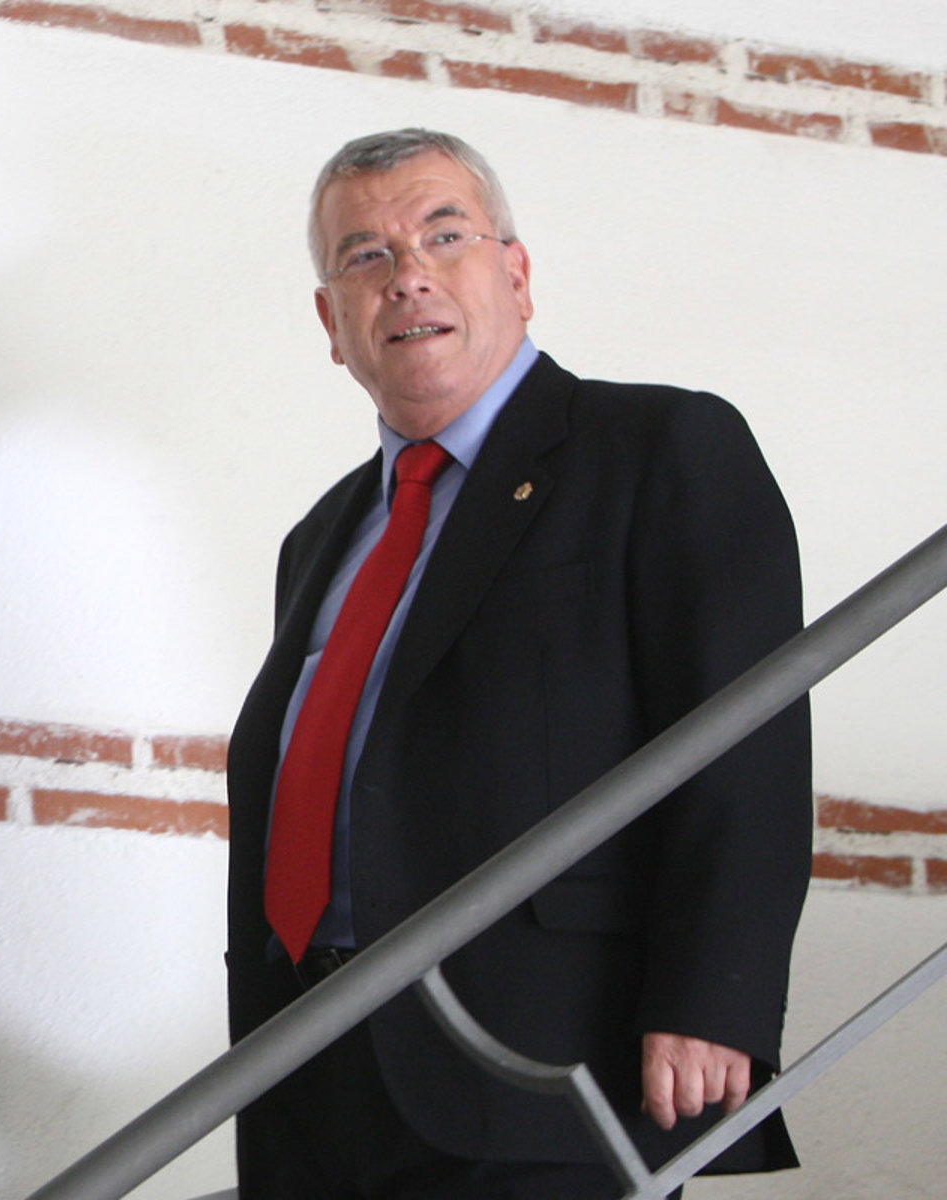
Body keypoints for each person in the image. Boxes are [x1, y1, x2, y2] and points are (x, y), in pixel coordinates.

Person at [225, 128, 811, 1199]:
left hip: (545, 1069)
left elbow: (746, 740)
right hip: (315, 1074)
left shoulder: (659, 448)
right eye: (365, 256)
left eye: (444, 235)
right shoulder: (320, 539)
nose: (408, 275)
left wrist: (712, 1000)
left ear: (518, 274)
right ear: (331, 323)